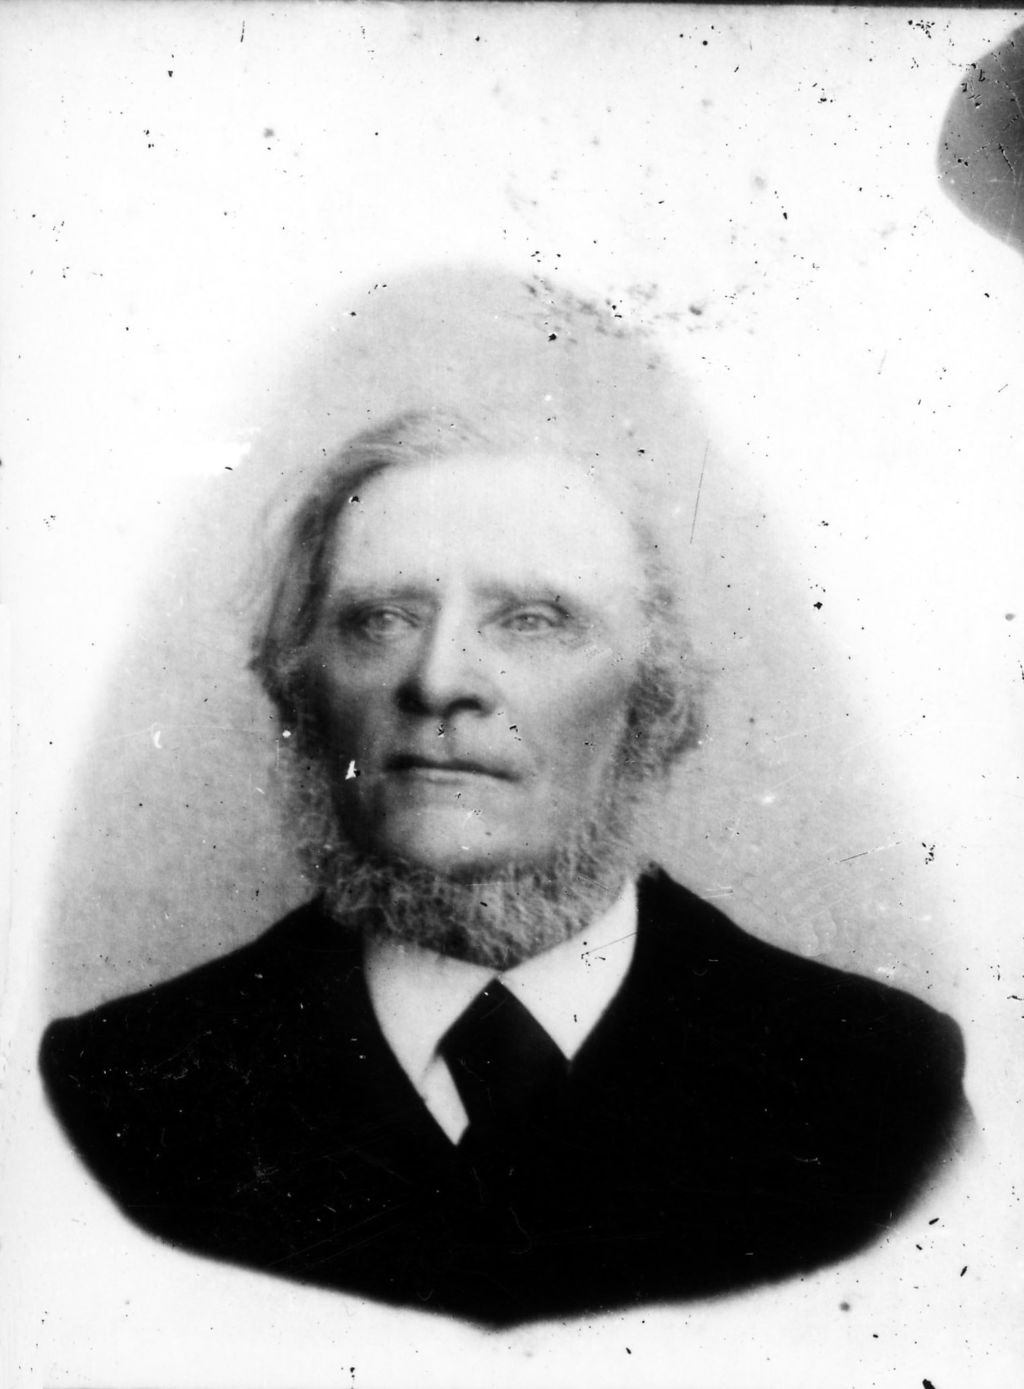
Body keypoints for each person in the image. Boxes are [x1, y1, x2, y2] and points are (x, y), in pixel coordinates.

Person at [39, 308, 968, 1328]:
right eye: (381, 619)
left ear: (650, 699)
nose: (440, 681)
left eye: (530, 620)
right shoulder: (121, 1091)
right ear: (300, 688)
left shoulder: (877, 1088)